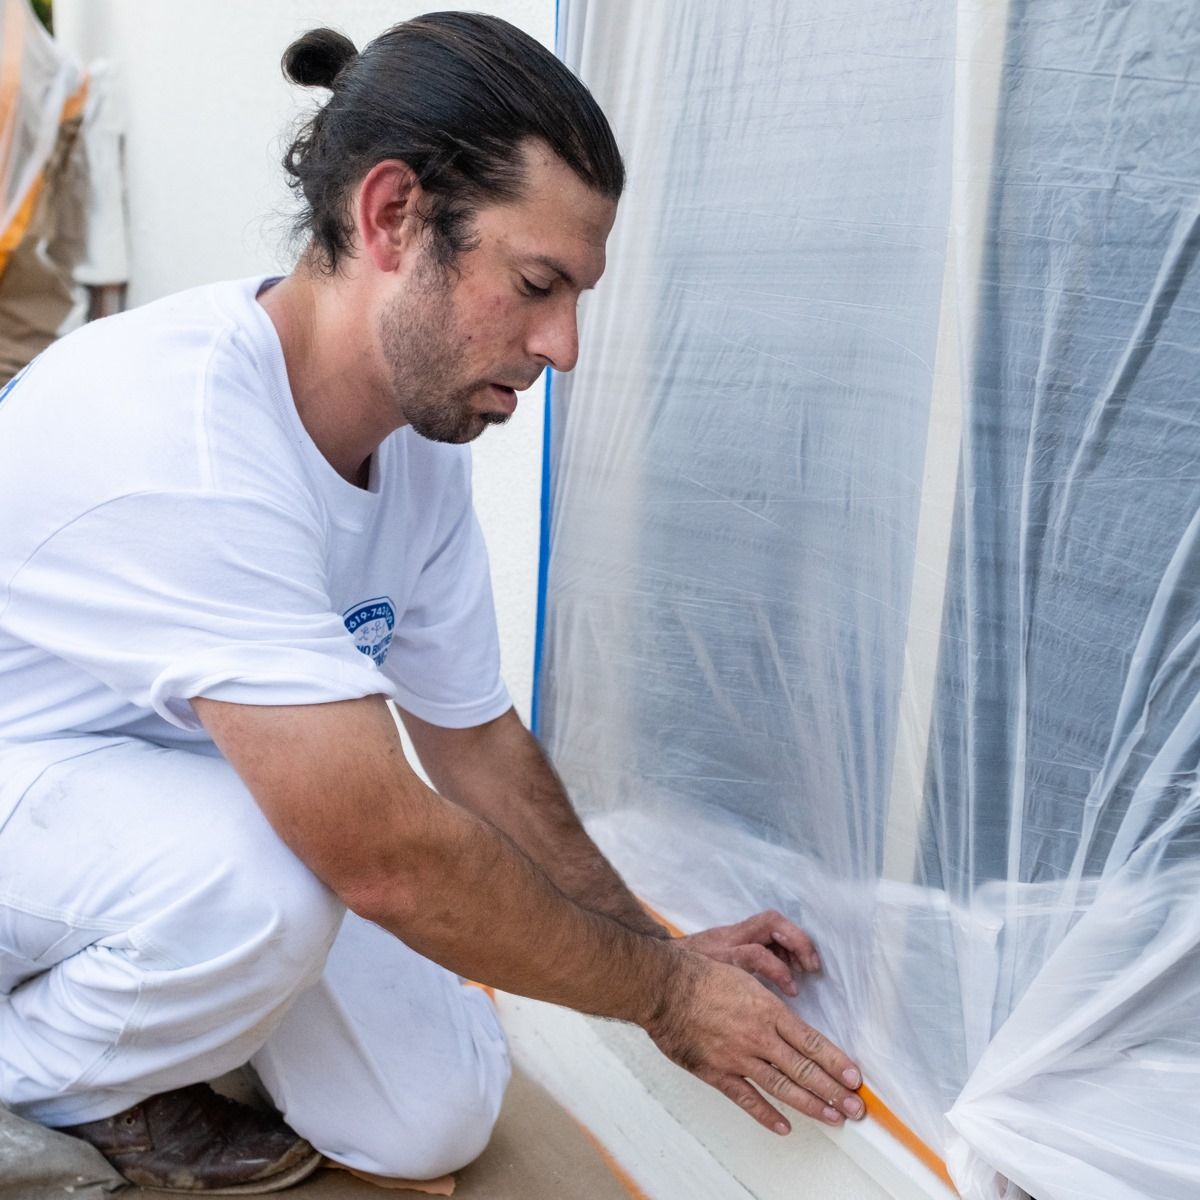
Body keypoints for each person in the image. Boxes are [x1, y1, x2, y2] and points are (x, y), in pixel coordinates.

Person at [0, 13, 865, 1193]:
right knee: (272, 885)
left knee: (434, 1117)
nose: (562, 345)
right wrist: (665, 999)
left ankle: (166, 1005)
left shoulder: (417, 444)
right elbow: (383, 855)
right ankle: (36, 1077)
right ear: (393, 216)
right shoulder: (188, 432)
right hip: (34, 783)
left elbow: (476, 744)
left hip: (190, 812)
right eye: (536, 285)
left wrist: (658, 948)